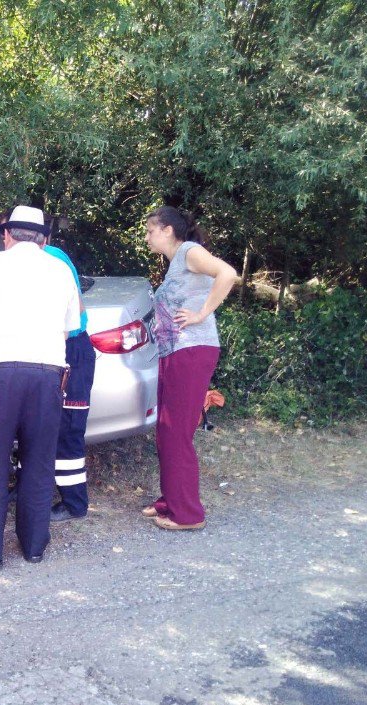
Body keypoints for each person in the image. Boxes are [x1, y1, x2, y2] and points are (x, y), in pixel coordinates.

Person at [0, 206, 80, 569]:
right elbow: (66, 329)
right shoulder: (60, 271)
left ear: (7, 235)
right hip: (48, 376)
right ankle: (34, 546)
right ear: (43, 239)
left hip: (2, 376)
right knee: (40, 461)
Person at [142, 206, 237, 530]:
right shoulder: (174, 265)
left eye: (150, 230)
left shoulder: (189, 252)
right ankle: (171, 501)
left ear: (167, 230)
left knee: (178, 432)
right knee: (167, 429)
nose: (147, 236)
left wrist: (201, 314)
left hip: (192, 350)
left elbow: (228, 274)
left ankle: (188, 515)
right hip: (175, 353)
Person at [43, 242, 97, 522]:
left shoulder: (51, 259)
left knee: (68, 429)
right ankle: (33, 486)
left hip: (72, 350)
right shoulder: (41, 257)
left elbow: (73, 310)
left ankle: (74, 503)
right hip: (57, 349)